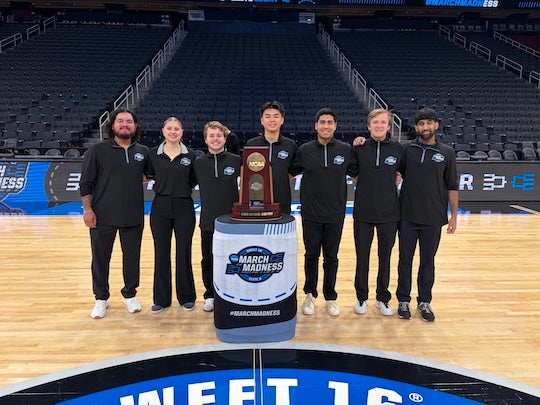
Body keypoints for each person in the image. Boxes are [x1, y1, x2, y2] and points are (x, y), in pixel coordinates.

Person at [80, 108, 149, 319]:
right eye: (120, 121)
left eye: (129, 121)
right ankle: (101, 298)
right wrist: (87, 210)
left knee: (132, 258)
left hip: (132, 214)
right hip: (102, 215)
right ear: (112, 125)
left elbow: (152, 175)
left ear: (135, 126)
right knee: (100, 259)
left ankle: (130, 294)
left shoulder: (143, 151)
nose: (125, 124)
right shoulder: (97, 150)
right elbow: (85, 183)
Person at [294, 107, 358, 317]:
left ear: (335, 126)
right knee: (311, 256)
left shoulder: (345, 149)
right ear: (316, 126)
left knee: (331, 257)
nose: (326, 126)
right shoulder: (304, 150)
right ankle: (310, 294)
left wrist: (392, 177)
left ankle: (330, 296)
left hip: (335, 215)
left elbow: (359, 175)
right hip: (311, 215)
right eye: (322, 122)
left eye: (330, 122)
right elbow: (287, 174)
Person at [396, 107, 458, 322]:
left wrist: (454, 216)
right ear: (416, 127)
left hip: (434, 217)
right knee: (405, 259)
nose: (425, 127)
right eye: (421, 124)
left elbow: (452, 185)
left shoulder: (447, 152)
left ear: (436, 125)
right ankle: (403, 299)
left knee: (427, 261)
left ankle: (425, 301)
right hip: (407, 216)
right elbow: (397, 172)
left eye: (429, 123)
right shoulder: (407, 149)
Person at [352, 108, 404, 317]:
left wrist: (397, 176)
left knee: (385, 257)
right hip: (363, 213)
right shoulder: (359, 148)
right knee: (362, 258)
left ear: (389, 126)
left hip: (389, 214)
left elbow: (402, 172)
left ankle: (383, 298)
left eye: (383, 122)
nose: (379, 125)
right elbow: (353, 172)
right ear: (368, 126)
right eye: (375, 122)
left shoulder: (399, 149)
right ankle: (361, 297)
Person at [146, 117, 197, 314]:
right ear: (163, 131)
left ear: (182, 132)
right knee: (161, 252)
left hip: (184, 205)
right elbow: (149, 175)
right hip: (160, 206)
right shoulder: (153, 154)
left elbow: (193, 180)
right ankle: (161, 298)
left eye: (177, 129)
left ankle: (186, 297)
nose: (173, 131)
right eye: (170, 128)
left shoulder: (190, 155)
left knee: (184, 252)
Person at [194, 121, 241, 312]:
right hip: (208, 222)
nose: (215, 139)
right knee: (209, 260)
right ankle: (210, 295)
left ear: (224, 138)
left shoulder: (236, 160)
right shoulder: (198, 163)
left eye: (219, 135)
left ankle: (233, 292)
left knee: (234, 260)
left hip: (232, 223)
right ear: (206, 139)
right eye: (211, 136)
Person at [245, 101, 298, 214]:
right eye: (267, 116)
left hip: (282, 202)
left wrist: (278, 178)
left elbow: (294, 170)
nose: (272, 120)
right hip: (257, 201)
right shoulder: (251, 144)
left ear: (282, 120)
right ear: (262, 120)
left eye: (276, 116)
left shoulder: (290, 145)